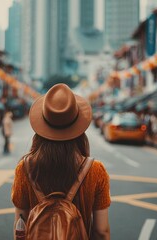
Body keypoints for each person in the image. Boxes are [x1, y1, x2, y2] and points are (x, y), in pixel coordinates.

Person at [11, 84, 111, 239]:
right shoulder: (96, 170)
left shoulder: (24, 169)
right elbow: (101, 231)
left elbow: (20, 228)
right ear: (79, 128)